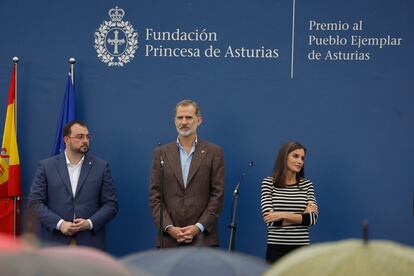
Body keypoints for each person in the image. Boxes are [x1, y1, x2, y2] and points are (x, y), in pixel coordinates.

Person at [29, 120, 118, 250]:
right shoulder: (46, 167)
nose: (85, 140)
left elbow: (111, 205)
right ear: (66, 140)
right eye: (80, 137)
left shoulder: (101, 167)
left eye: (88, 136)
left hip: (90, 245)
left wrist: (89, 223)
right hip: (55, 244)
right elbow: (35, 203)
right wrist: (60, 224)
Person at [149, 99, 225, 248]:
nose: (184, 122)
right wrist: (169, 228)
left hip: (203, 239)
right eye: (180, 117)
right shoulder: (161, 153)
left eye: (189, 117)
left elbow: (218, 195)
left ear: (199, 120)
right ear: (174, 121)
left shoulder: (214, 152)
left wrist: (198, 227)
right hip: (169, 240)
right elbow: (155, 196)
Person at [261, 141, 318, 263]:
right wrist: (302, 215)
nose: (300, 161)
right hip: (276, 250)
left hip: (301, 251)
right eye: (295, 156)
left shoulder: (307, 185)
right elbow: (271, 222)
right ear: (284, 157)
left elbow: (312, 219)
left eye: (302, 158)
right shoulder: (268, 183)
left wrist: (282, 215)